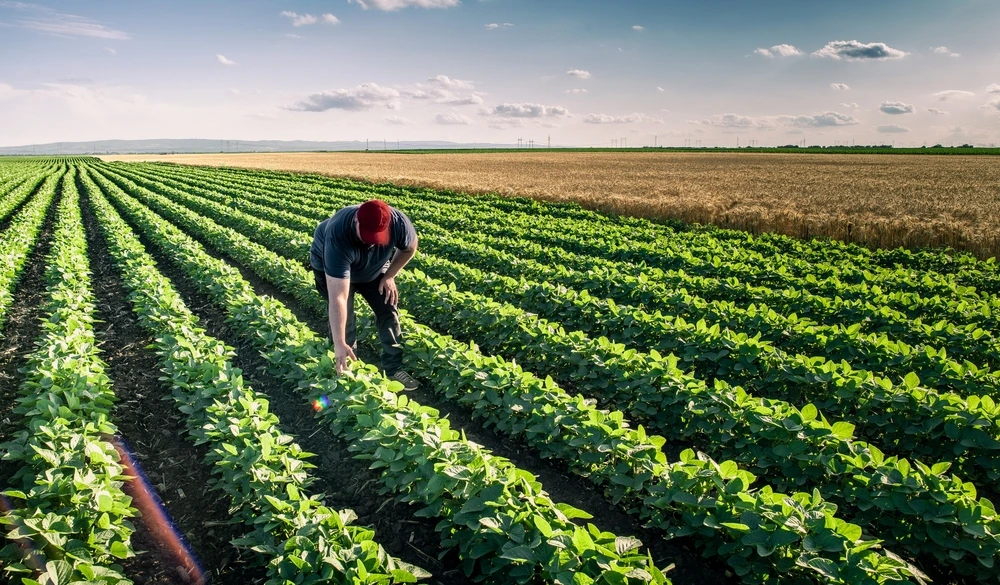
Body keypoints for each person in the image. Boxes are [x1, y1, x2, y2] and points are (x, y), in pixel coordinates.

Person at [309, 199, 420, 390]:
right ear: (356, 221)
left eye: (378, 236)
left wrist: (390, 275)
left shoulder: (399, 223)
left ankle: (394, 369)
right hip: (332, 268)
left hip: (374, 268)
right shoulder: (338, 234)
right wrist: (339, 343)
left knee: (388, 308)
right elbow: (338, 298)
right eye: (368, 235)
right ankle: (348, 371)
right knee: (346, 320)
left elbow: (410, 247)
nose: (372, 240)